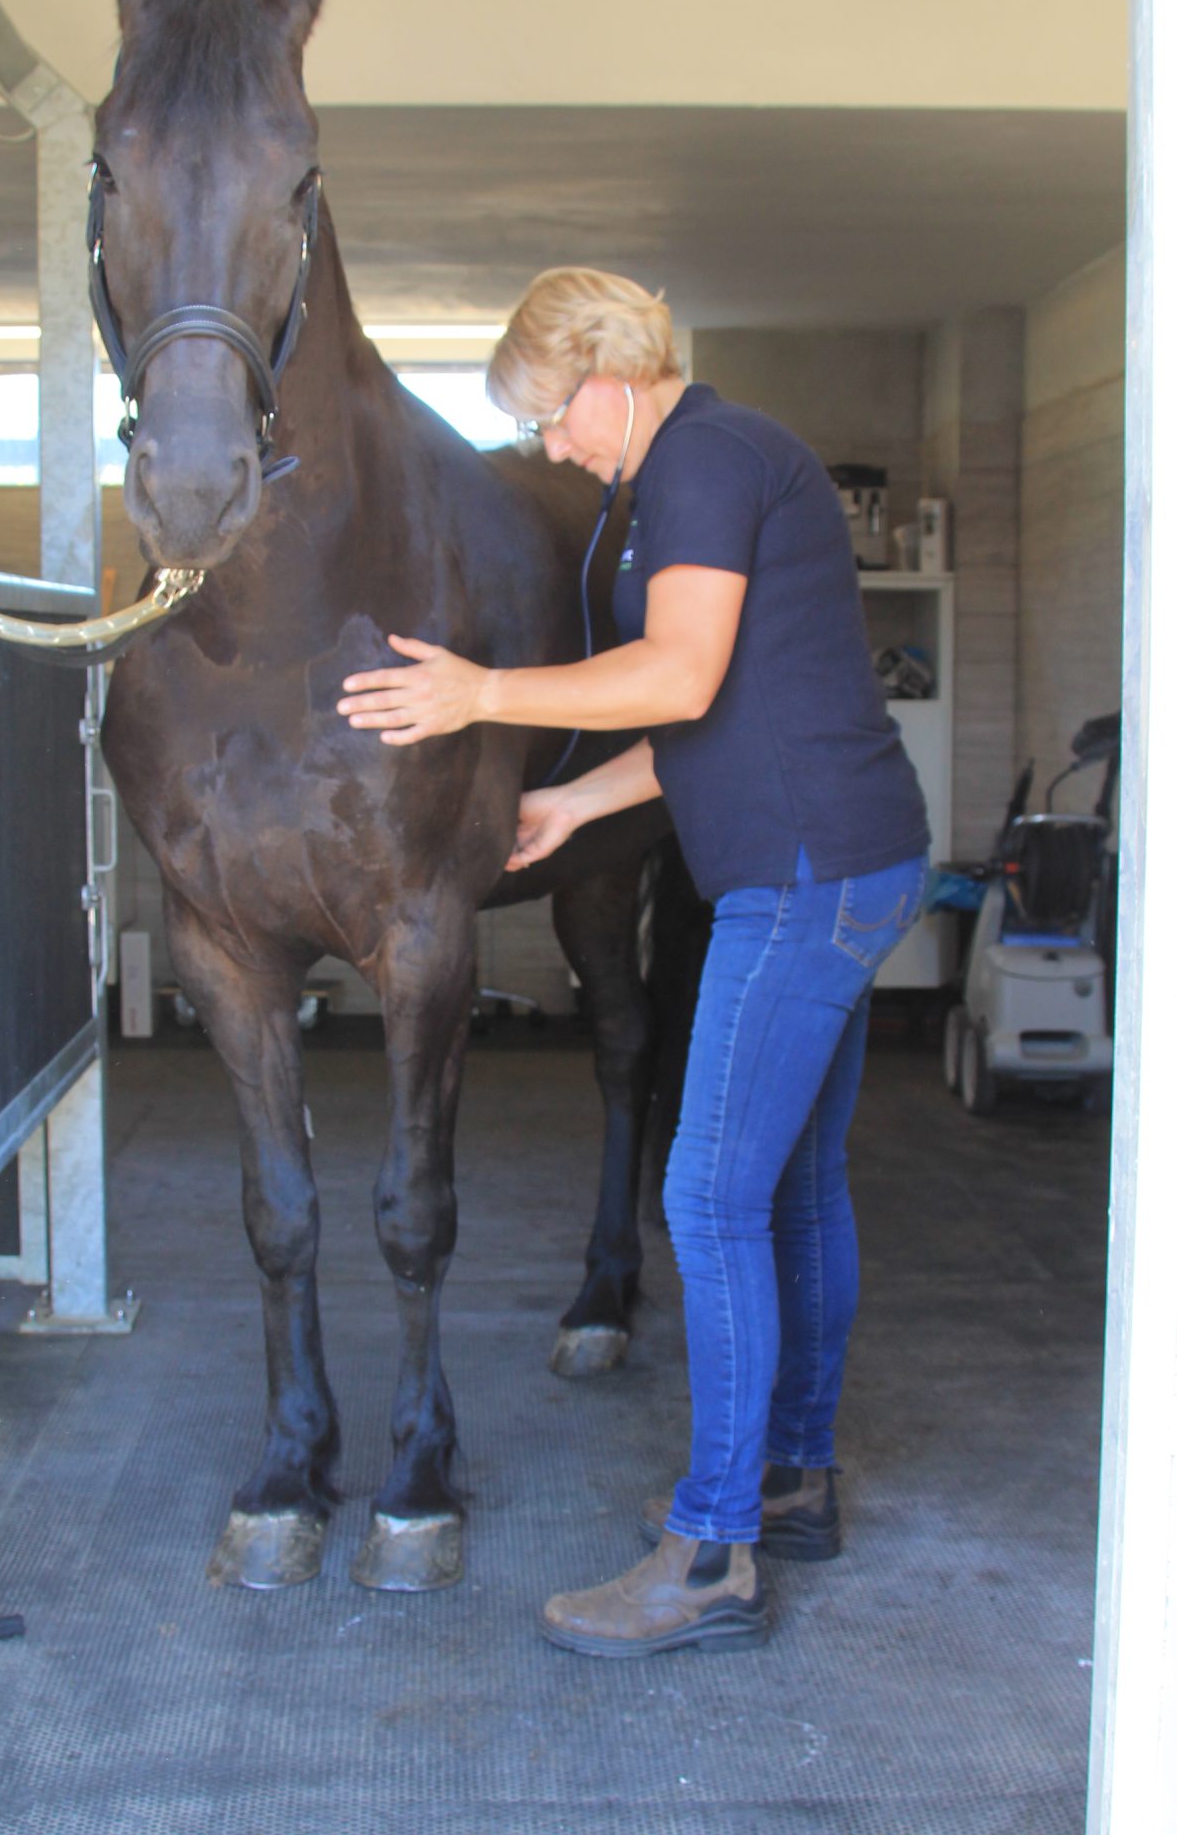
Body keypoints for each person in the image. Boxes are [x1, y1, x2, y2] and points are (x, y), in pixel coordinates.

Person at [338, 268, 930, 1660]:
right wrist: (574, 802)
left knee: (708, 1199)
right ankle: (793, 1482)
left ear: (607, 370)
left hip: (801, 877)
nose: (548, 445)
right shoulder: (709, 463)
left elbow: (676, 675)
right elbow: (727, 702)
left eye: (548, 413)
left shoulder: (703, 461)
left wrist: (478, 695)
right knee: (792, 1186)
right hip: (842, 854)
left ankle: (713, 1549)